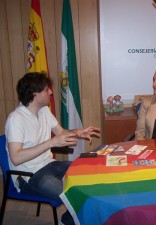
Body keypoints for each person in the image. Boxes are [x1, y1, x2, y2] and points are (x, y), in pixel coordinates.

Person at [5, 72, 101, 225]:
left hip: (49, 165)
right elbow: (16, 158)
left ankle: (68, 219)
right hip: (29, 176)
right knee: (76, 194)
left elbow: (61, 133)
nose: (50, 92)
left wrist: (79, 133)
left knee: (86, 174)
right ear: (34, 94)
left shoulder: (43, 111)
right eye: (46, 90)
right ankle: (68, 221)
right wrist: (50, 143)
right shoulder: (16, 119)